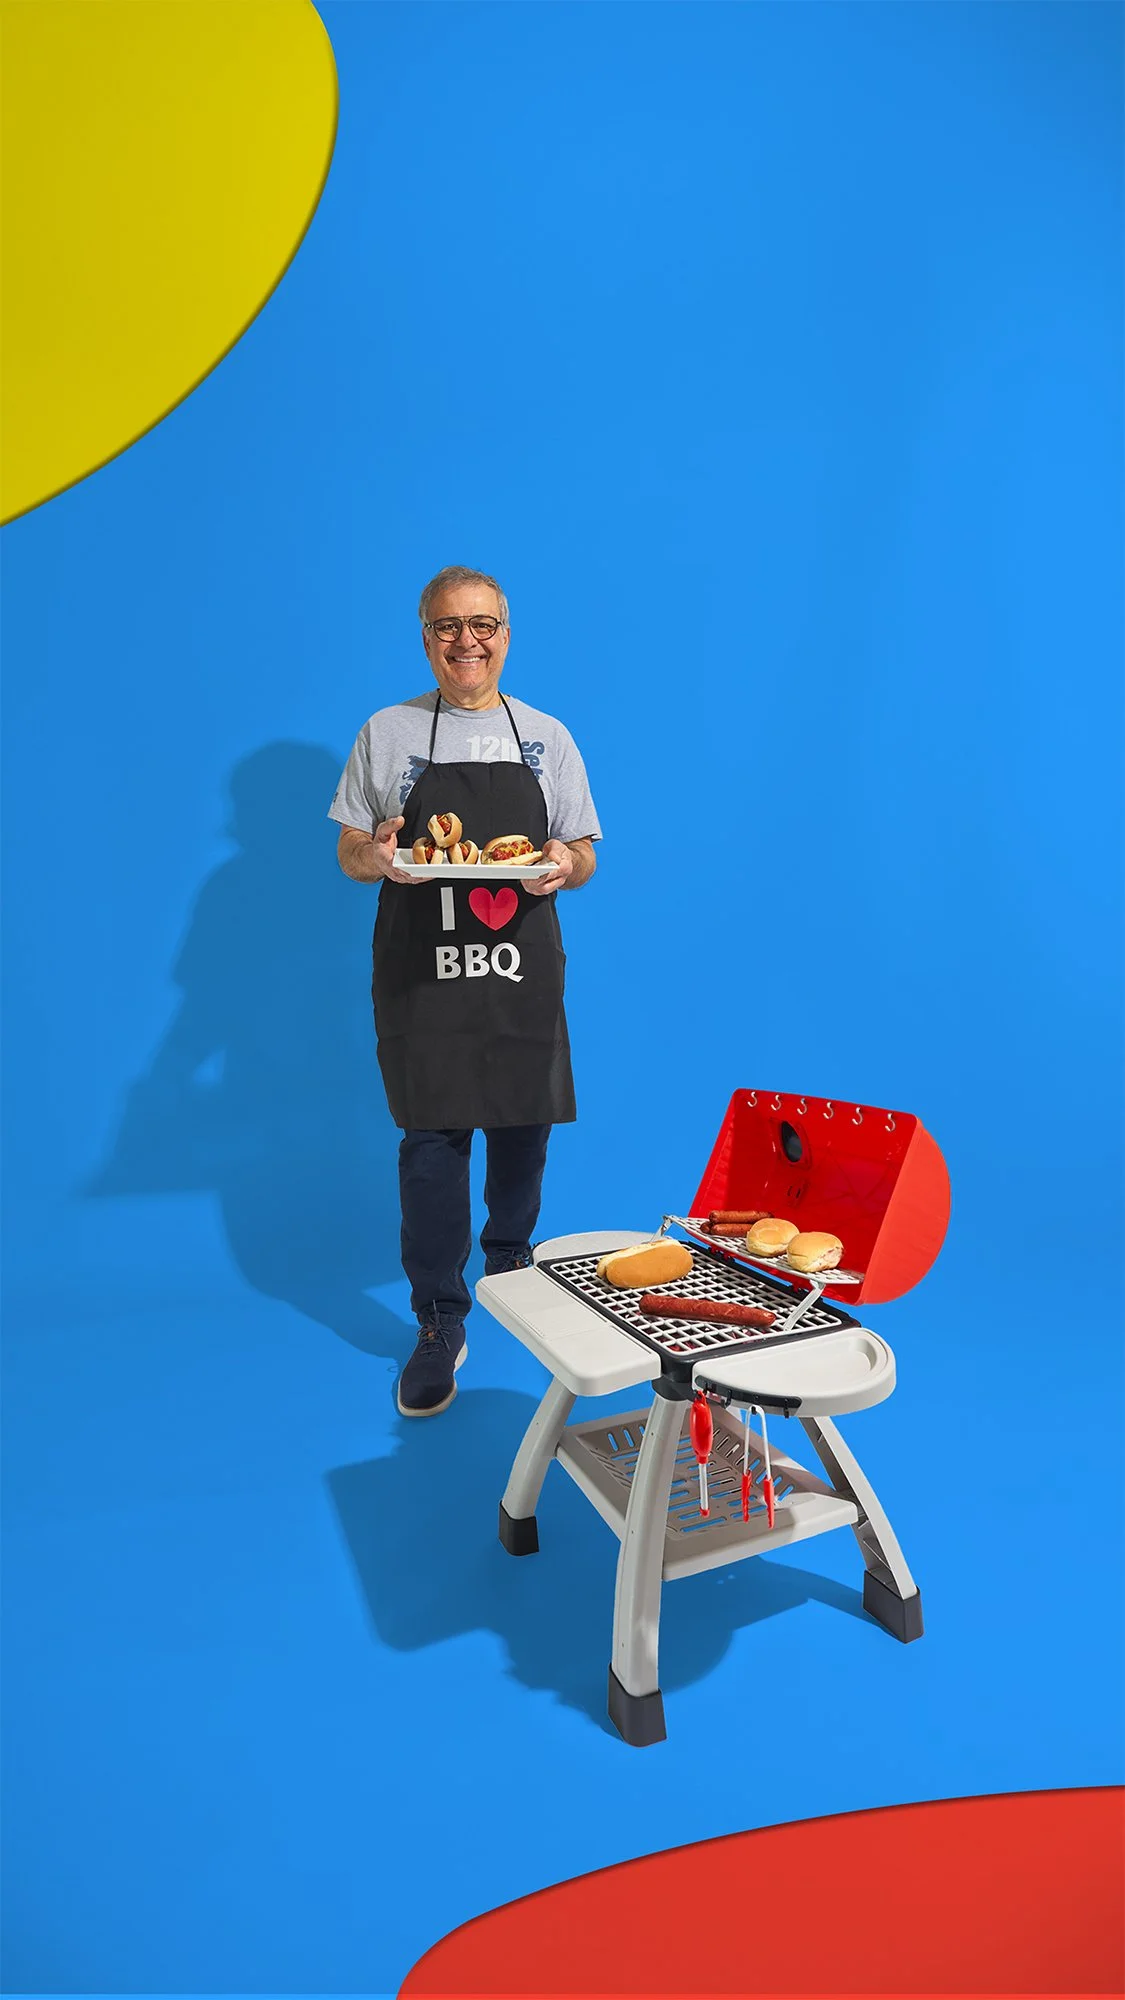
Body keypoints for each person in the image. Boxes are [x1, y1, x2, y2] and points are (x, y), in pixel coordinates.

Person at [329, 566, 602, 1417]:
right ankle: (439, 1318)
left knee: (523, 1127)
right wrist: (378, 854)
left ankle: (511, 1272)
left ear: (506, 634)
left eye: (481, 624)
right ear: (425, 636)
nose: (466, 641)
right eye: (447, 626)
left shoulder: (545, 737)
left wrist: (564, 864)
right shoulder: (389, 732)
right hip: (423, 969)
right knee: (432, 1140)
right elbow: (348, 852)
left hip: (517, 967)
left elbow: (583, 851)